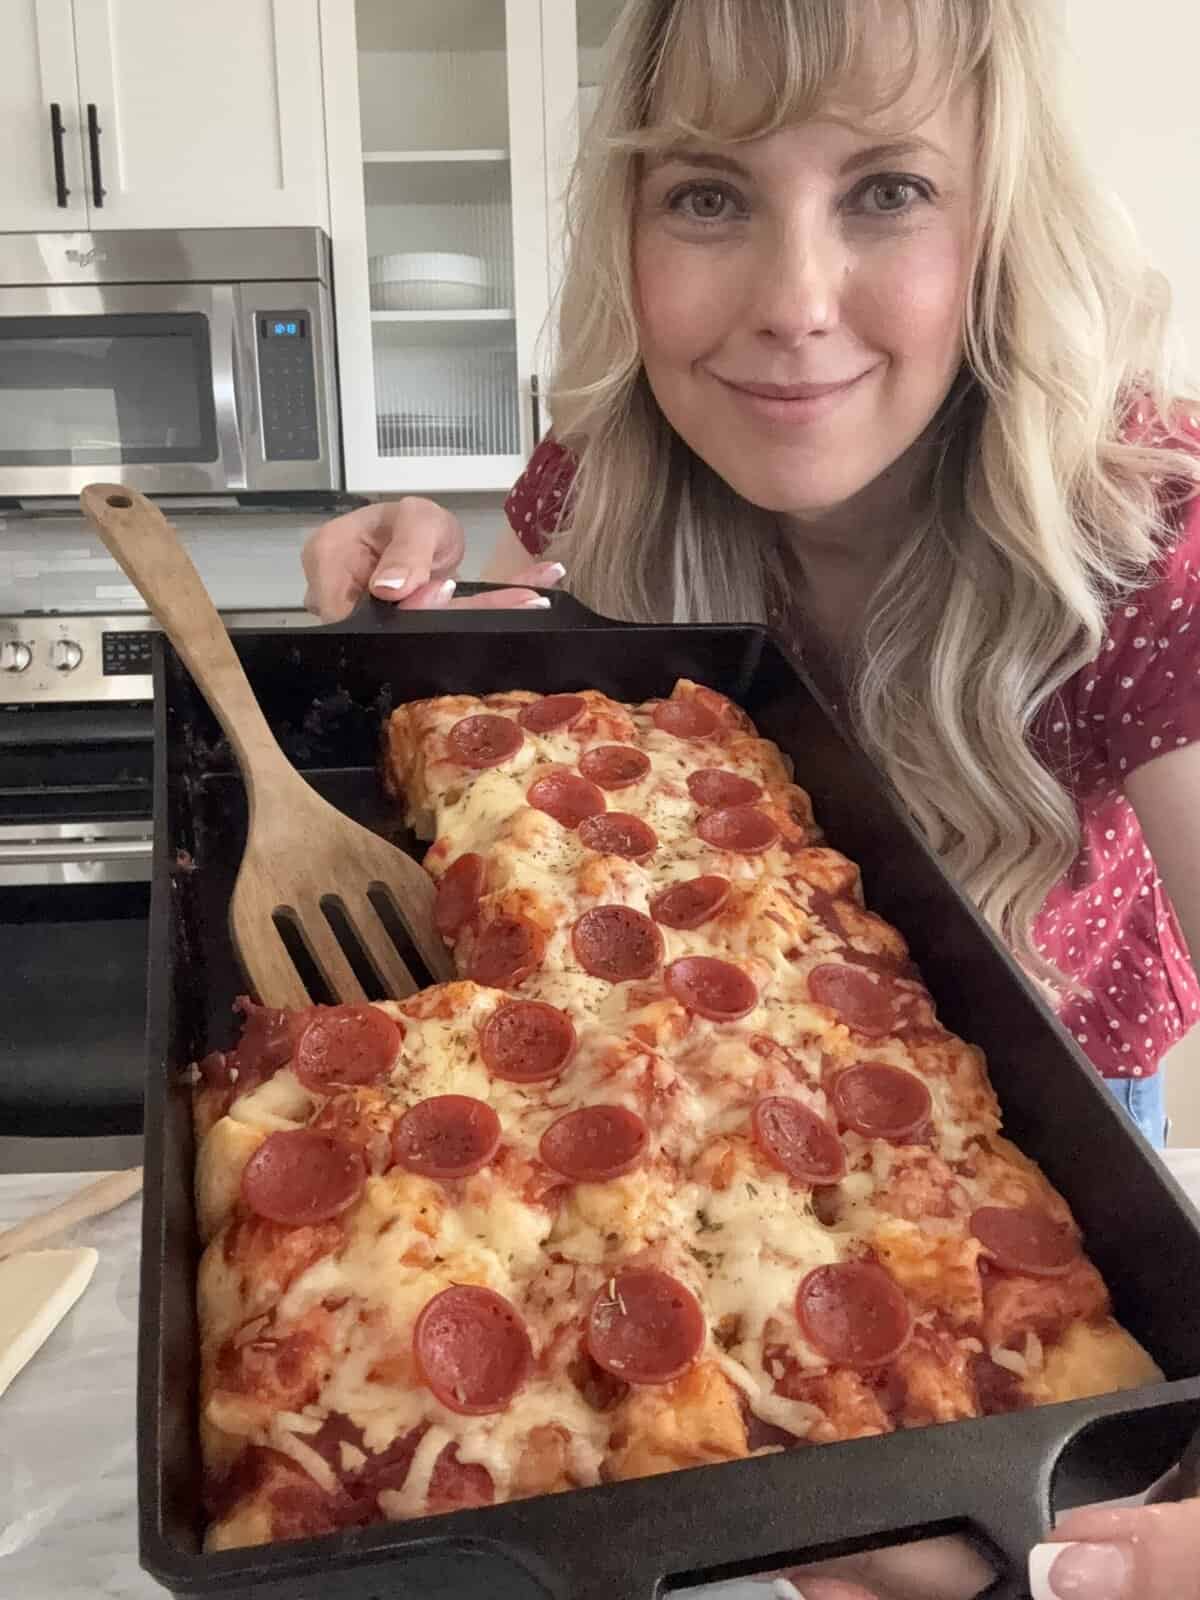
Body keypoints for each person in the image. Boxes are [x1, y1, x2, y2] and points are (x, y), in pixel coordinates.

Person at [302, 2, 1200, 1594]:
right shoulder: (600, 466)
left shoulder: (1147, 544)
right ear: (630, 231)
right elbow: (511, 733)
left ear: (1004, 220)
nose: (793, 305)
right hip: (669, 1153)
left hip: (1033, 1169)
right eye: (708, 194)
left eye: (888, 191)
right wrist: (421, 599)